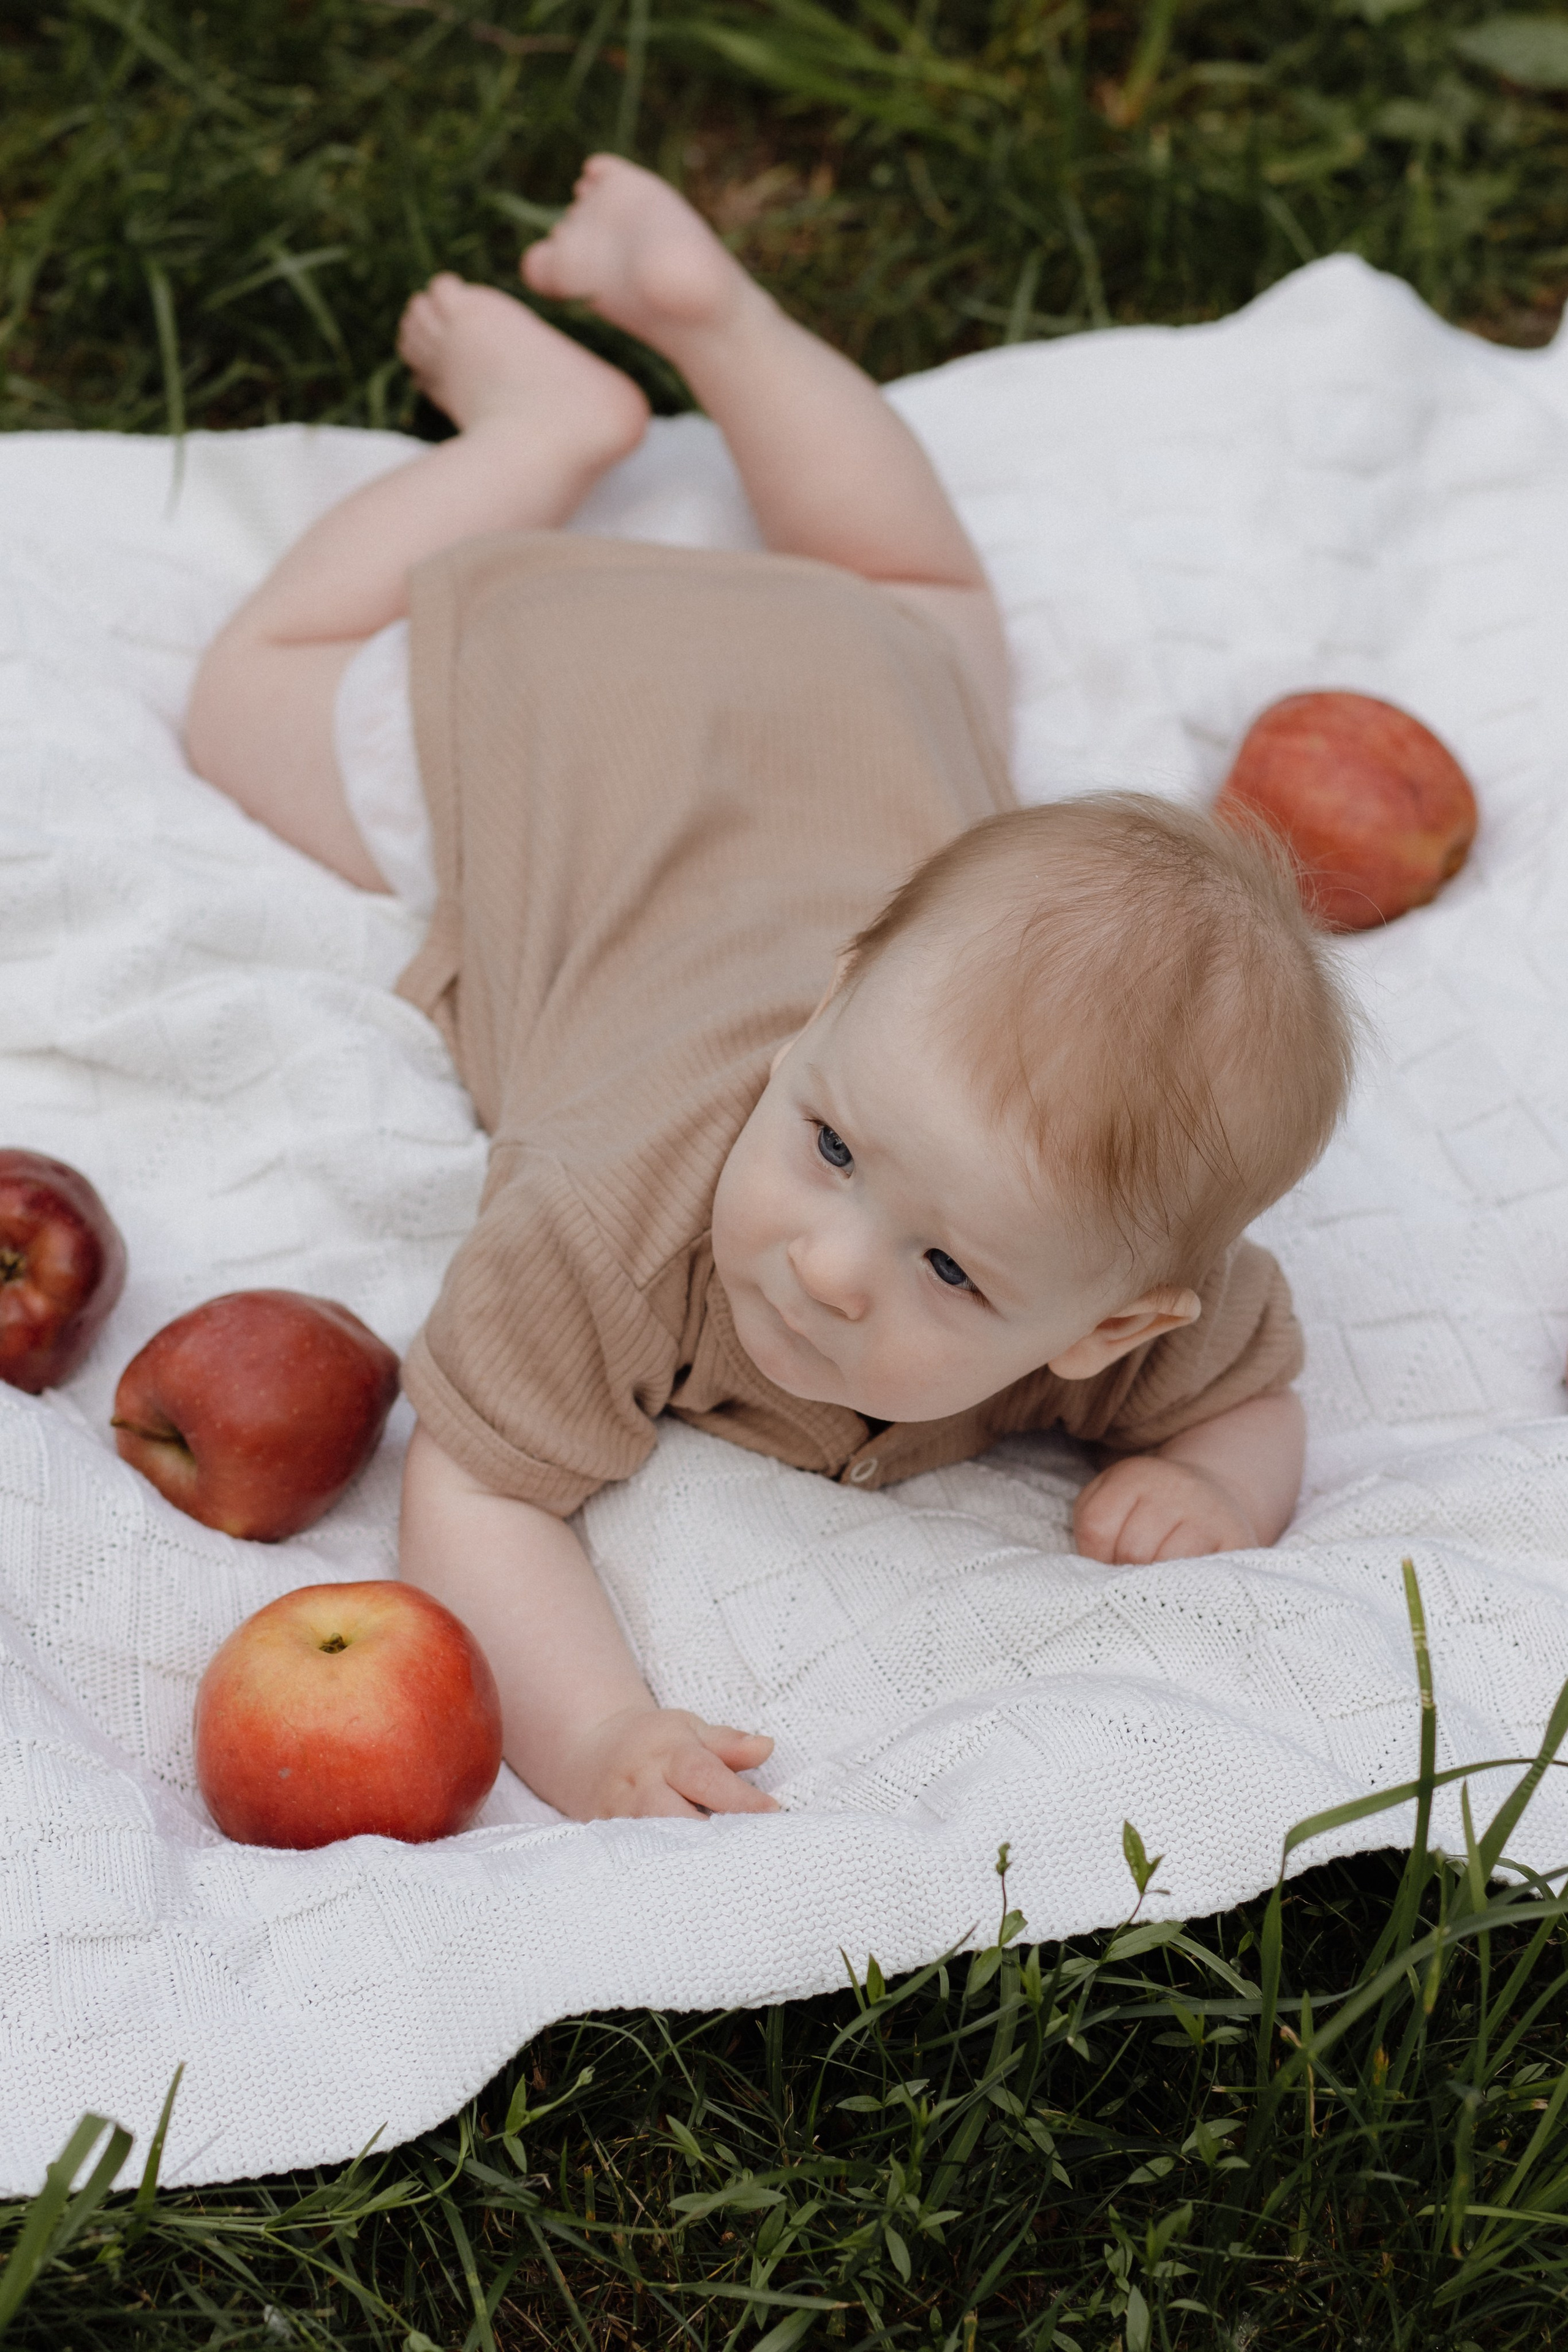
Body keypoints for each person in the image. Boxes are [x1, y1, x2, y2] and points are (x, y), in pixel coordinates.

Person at [185, 156, 1355, 1824]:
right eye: (825, 1144)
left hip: (860, 680)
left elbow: (1253, 1396)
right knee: (250, 694)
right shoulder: (618, 1212)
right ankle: (544, 437)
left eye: (948, 1267)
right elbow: (480, 1490)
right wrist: (593, 1736)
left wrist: (1214, 1486)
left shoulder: (1138, 1262)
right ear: (841, 993)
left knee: (925, 604)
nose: (823, 1262)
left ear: (1114, 1326)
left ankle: (713, 314)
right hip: (585, 723)